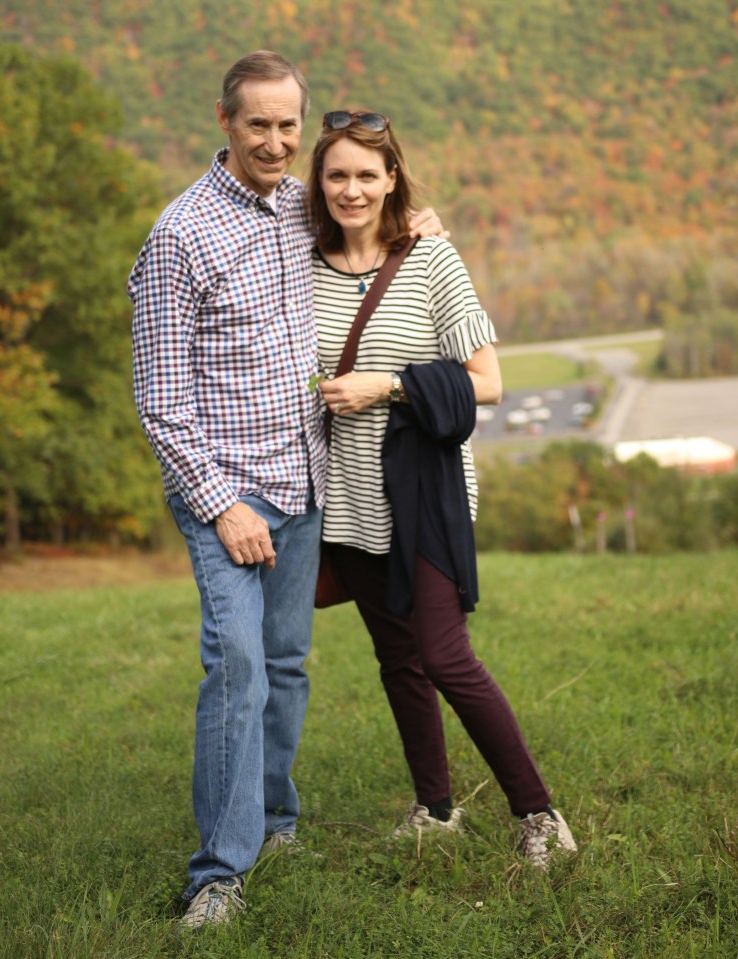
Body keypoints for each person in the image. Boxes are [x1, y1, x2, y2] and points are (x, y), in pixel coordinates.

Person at [129, 55, 442, 930]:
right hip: (225, 491)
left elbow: (363, 214)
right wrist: (221, 504)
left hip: (303, 476)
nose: (274, 141)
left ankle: (274, 823)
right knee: (234, 667)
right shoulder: (180, 235)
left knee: (285, 665)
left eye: (286, 126)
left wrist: (417, 218)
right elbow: (160, 397)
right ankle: (217, 876)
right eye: (257, 124)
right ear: (223, 120)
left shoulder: (297, 210)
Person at [307, 111, 577, 870]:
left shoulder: (430, 259)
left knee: (444, 653)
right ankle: (434, 807)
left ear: (392, 178)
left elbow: (489, 382)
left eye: (367, 174)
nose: (351, 189)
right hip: (347, 495)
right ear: (318, 183)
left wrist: (386, 386)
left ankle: (539, 814)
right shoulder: (301, 262)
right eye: (337, 175)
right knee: (397, 658)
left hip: (424, 493)